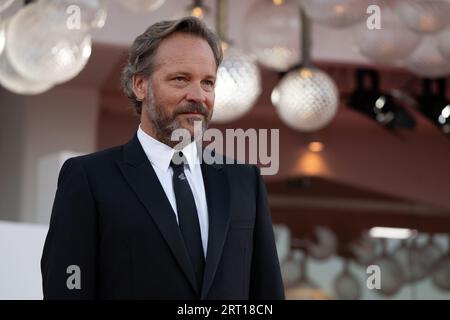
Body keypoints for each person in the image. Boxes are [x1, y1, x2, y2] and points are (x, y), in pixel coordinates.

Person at [41, 16, 285, 300]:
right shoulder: (89, 178)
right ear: (140, 85)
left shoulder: (244, 180)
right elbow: (67, 288)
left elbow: (267, 293)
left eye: (208, 83)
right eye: (181, 79)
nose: (198, 95)